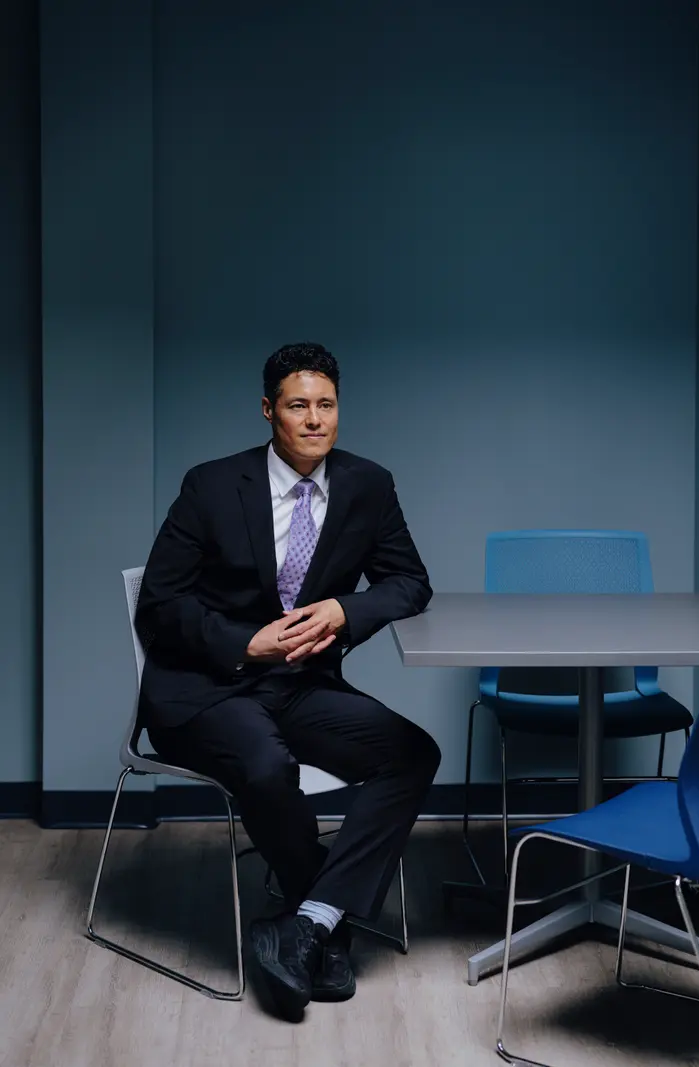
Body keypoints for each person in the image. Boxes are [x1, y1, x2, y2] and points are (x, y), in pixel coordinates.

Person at [136, 342, 440, 1021]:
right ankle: (320, 920)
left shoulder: (367, 484)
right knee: (267, 765)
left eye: (325, 405)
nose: (313, 419)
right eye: (297, 405)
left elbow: (410, 583)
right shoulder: (212, 484)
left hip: (299, 686)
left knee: (412, 753)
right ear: (269, 410)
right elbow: (159, 602)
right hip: (210, 684)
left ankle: (307, 924)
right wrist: (244, 640)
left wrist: (345, 607)